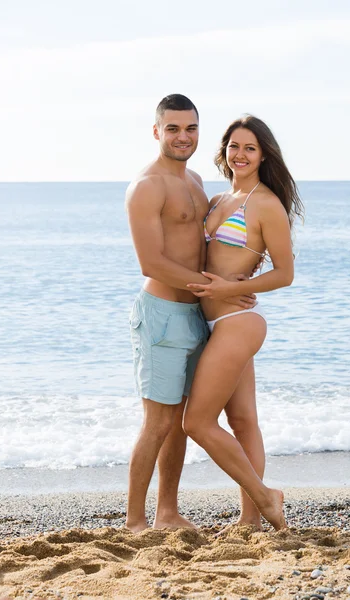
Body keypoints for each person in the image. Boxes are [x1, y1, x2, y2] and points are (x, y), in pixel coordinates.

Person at [125, 95, 257, 532]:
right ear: (157, 131)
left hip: (198, 313)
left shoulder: (198, 181)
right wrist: (212, 288)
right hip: (163, 312)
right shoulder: (147, 186)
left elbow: (213, 248)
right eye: (174, 128)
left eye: (191, 129)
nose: (183, 137)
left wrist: (237, 283)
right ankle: (135, 521)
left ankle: (168, 511)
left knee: (181, 421)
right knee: (157, 420)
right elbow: (152, 263)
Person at [183, 115, 304, 531]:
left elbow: (285, 273)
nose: (240, 154)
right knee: (243, 420)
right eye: (234, 146)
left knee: (196, 422)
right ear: (225, 151)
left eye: (250, 148)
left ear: (264, 154)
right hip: (215, 322)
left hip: (238, 320)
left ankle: (264, 497)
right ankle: (251, 519)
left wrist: (234, 287)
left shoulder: (266, 204)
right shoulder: (217, 201)